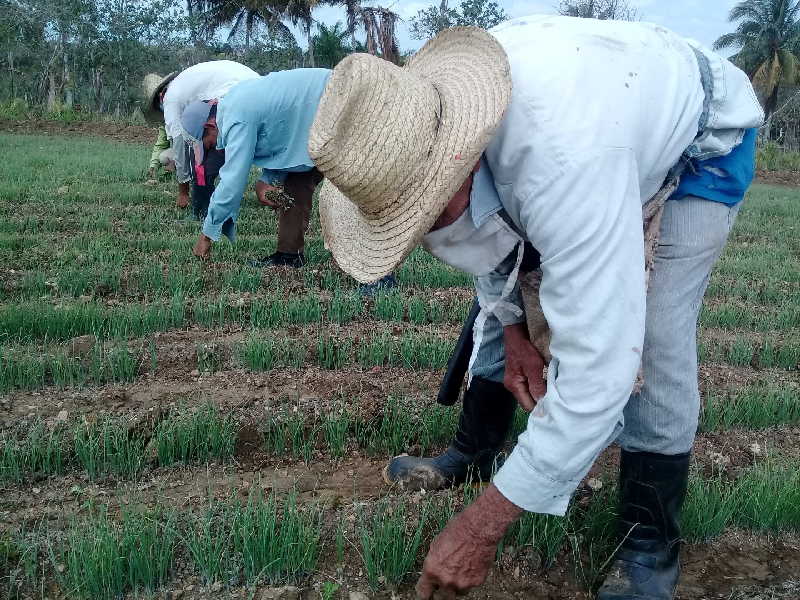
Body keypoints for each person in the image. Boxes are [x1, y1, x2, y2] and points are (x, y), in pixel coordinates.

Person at [307, 17, 763, 600]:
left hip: (700, 145)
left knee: (652, 339)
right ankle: (473, 452)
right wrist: (518, 333)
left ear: (461, 161)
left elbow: (602, 371)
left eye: (421, 212)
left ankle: (650, 546)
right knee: (499, 310)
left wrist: (482, 527)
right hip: (600, 127)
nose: (421, 234)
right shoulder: (425, 116)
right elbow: (486, 251)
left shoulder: (565, 159)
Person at [143, 61, 259, 216]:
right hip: (258, 88)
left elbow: (179, 143)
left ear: (160, 96)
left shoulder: (171, 97)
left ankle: (203, 207)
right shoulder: (188, 83)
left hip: (236, 95)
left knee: (203, 159)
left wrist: (183, 192)